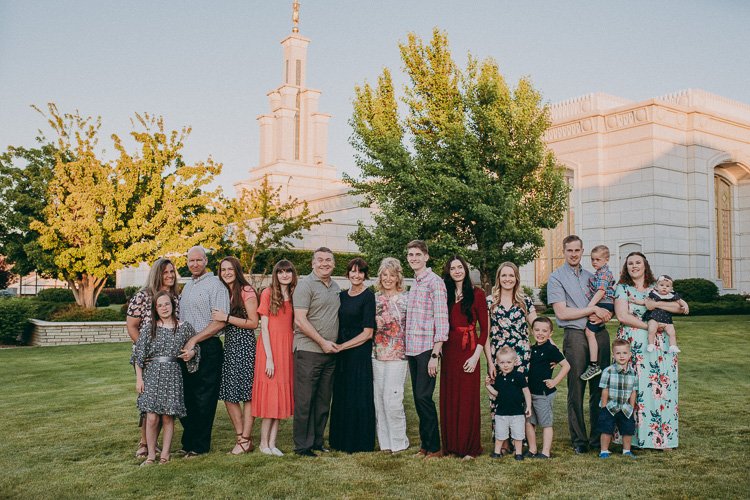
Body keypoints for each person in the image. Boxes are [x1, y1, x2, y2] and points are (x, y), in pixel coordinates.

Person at [547, 235, 612, 454]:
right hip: (574, 335)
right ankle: (579, 440)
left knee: (599, 387)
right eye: (569, 250)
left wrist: (605, 313)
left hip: (599, 333)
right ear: (563, 252)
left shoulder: (593, 276)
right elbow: (562, 313)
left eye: (577, 250)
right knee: (576, 388)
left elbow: (607, 303)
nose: (573, 254)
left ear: (582, 251)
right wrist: (592, 310)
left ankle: (597, 438)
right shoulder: (556, 278)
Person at [614, 251, 684, 450]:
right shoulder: (622, 288)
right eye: (630, 264)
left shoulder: (657, 287)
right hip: (633, 344)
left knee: (660, 389)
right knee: (635, 389)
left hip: (660, 346)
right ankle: (632, 439)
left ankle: (663, 439)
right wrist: (649, 326)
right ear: (626, 268)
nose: (634, 266)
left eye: (638, 262)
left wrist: (658, 305)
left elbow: (678, 308)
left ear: (645, 265)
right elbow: (622, 316)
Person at [132, 291, 199, 466]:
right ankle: (151, 455)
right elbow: (138, 355)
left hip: (173, 374)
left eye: (167, 304)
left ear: (173, 306)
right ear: (155, 308)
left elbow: (195, 346)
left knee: (168, 416)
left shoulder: (184, 327)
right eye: (160, 305)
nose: (164, 308)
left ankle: (165, 455)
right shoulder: (150, 328)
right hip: (152, 374)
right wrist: (139, 379)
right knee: (152, 417)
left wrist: (191, 352)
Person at [178, 246, 231, 458]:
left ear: (206, 261)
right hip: (186, 348)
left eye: (199, 260)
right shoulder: (188, 286)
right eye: (191, 261)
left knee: (204, 398)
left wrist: (195, 339)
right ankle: (188, 441)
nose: (195, 264)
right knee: (186, 396)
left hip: (207, 346)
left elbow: (219, 323)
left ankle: (199, 446)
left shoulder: (216, 285)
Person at [126, 257, 179, 458]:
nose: (170, 276)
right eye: (166, 272)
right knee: (148, 401)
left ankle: (158, 446)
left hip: (167, 359)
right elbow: (132, 326)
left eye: (172, 272)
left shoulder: (174, 297)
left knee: (163, 403)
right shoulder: (142, 296)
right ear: (157, 274)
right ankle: (145, 442)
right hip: (146, 359)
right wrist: (144, 351)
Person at [292, 247, 341, 457]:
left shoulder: (336, 286)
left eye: (328, 260)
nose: (324, 263)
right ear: (312, 263)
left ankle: (318, 441)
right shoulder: (305, 285)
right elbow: (300, 320)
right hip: (308, 351)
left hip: (330, 354)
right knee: (305, 401)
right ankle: (303, 446)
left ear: (334, 264)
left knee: (322, 401)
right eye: (320, 260)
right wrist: (322, 342)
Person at [440, 255, 489, 459]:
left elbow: (485, 330)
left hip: (469, 351)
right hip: (449, 350)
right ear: (449, 272)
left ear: (466, 270)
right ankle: (451, 445)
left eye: (460, 267)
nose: (457, 271)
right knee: (450, 397)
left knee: (467, 399)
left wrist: (476, 356)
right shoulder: (445, 294)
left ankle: (469, 448)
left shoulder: (477, 294)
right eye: (453, 268)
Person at [404, 240, 449, 458]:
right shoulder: (416, 283)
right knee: (418, 399)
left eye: (417, 254)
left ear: (426, 257)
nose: (413, 258)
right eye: (410, 255)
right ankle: (425, 445)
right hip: (412, 350)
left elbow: (441, 320)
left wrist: (435, 354)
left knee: (424, 397)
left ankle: (435, 447)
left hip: (426, 350)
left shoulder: (435, 282)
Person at [486, 261, 536, 453]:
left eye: (511, 275)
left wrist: (551, 343)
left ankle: (519, 439)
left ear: (516, 278)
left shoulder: (525, 301)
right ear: (498, 278)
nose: (507, 279)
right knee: (497, 395)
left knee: (518, 395)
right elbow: (485, 335)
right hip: (498, 356)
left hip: (520, 356)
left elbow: (535, 325)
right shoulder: (490, 302)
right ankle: (502, 440)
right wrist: (490, 362)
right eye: (504, 275)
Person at [329, 258, 377, 453]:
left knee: (358, 395)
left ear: (365, 275)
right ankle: (339, 440)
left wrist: (343, 346)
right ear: (347, 273)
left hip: (358, 351)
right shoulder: (340, 295)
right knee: (342, 394)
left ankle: (359, 442)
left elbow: (368, 333)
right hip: (341, 353)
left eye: (360, 272)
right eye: (353, 271)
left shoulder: (368, 296)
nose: (356, 275)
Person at [252, 260, 297, 456]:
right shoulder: (268, 293)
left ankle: (272, 442)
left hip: (287, 348)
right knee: (270, 395)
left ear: (293, 274)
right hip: (270, 348)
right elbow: (266, 328)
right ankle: (263, 443)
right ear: (276, 274)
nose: (285, 275)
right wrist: (270, 358)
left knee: (280, 395)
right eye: (281, 272)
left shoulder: (295, 295)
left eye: (288, 272)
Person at [215, 257, 259, 455]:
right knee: (229, 394)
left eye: (230, 269)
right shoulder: (224, 292)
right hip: (231, 346)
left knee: (248, 395)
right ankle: (241, 437)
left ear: (237, 270)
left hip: (246, 346)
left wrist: (226, 318)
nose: (226, 272)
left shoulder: (246, 290)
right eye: (223, 269)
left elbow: (253, 323)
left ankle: (245, 439)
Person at [372, 257, 410, 453]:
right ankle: (385, 443)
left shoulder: (406, 299)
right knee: (379, 399)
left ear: (398, 277)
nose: (388, 278)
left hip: (398, 355)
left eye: (392, 275)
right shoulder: (375, 298)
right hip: (377, 354)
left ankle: (399, 442)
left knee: (393, 399)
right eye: (384, 275)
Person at [525, 317, 570, 459]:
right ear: (532, 332)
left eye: (544, 331)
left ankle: (545, 451)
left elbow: (566, 366)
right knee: (529, 422)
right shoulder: (531, 349)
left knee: (546, 423)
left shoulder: (551, 349)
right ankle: (532, 449)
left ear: (550, 333)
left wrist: (555, 381)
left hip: (543, 393)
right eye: (537, 330)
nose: (540, 333)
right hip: (529, 393)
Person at [485, 347, 531, 461]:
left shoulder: (519, 376)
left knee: (518, 435)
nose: (505, 365)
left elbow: (526, 391)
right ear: (497, 363)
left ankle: (519, 453)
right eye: (502, 362)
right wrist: (488, 386)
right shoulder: (499, 378)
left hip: (517, 413)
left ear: (514, 362)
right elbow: (497, 394)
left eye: (509, 362)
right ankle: (497, 452)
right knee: (500, 434)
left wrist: (529, 405)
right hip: (502, 413)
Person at [580, 245, 616, 381]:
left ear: (606, 260)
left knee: (589, 332)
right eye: (592, 259)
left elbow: (601, 291)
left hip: (604, 302)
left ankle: (594, 365)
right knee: (591, 331)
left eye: (598, 259)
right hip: (605, 303)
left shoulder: (604, 274)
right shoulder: (599, 273)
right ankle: (594, 364)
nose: (594, 262)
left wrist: (590, 307)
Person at [598, 339, 638, 459]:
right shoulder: (608, 371)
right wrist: (604, 406)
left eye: (625, 353)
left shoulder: (633, 373)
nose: (621, 356)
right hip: (610, 406)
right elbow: (604, 389)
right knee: (606, 428)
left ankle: (626, 450)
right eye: (618, 353)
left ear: (630, 355)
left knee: (628, 429)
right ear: (613, 355)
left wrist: (631, 407)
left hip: (625, 407)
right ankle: (604, 450)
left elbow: (633, 391)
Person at [640, 275, 686, 353]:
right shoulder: (654, 294)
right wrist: (635, 301)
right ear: (657, 287)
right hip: (654, 316)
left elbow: (680, 301)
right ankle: (651, 344)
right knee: (652, 329)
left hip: (666, 317)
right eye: (662, 285)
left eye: (667, 286)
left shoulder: (671, 295)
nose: (664, 287)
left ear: (671, 289)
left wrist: (685, 305)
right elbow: (646, 303)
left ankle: (673, 346)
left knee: (672, 332)